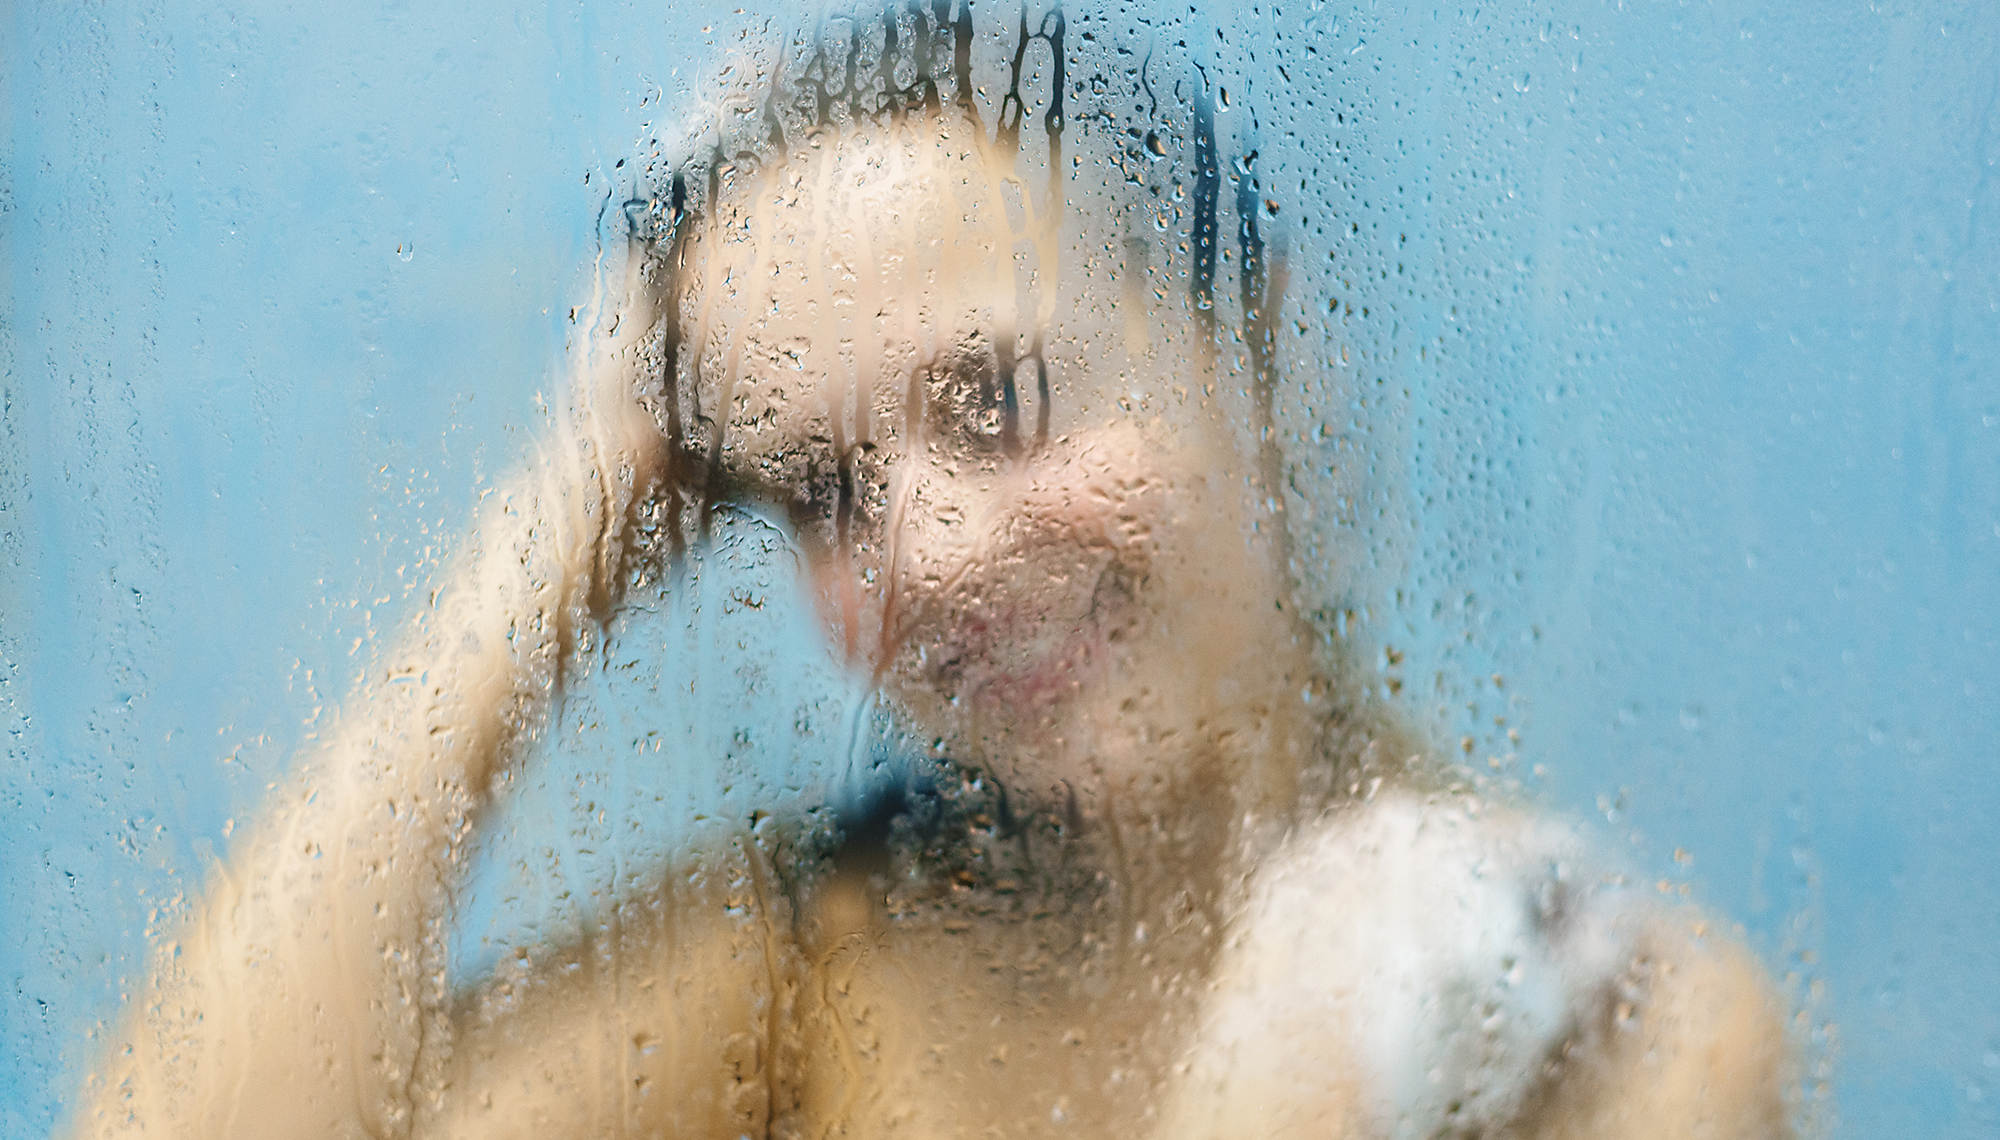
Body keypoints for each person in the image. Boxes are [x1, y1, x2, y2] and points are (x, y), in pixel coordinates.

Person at [69, 7, 1791, 1138]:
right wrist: (572, 516)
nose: (941, 556)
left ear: (1256, 362)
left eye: (1003, 400)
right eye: (822, 490)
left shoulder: (1617, 1031)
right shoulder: (802, 962)